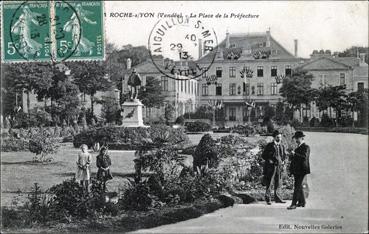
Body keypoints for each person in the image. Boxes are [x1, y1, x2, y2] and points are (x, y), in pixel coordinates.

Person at [261, 130, 287, 205]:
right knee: (270, 183)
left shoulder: (282, 146)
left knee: (278, 183)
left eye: (280, 137)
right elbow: (264, 155)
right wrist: (269, 160)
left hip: (279, 167)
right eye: (278, 137)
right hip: (271, 167)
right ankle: (268, 199)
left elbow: (284, 156)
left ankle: (277, 198)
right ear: (274, 137)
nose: (279, 139)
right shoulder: (269, 145)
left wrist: (284, 161)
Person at [287, 131, 310, 210]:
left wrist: (295, 154)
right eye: (296, 138)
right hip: (297, 170)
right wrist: (291, 155)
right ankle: (302, 202)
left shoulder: (306, 147)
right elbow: (295, 159)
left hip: (302, 170)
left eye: (297, 138)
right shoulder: (298, 147)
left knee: (297, 186)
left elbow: (304, 157)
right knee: (298, 186)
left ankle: (293, 204)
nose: (296, 140)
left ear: (302, 138)